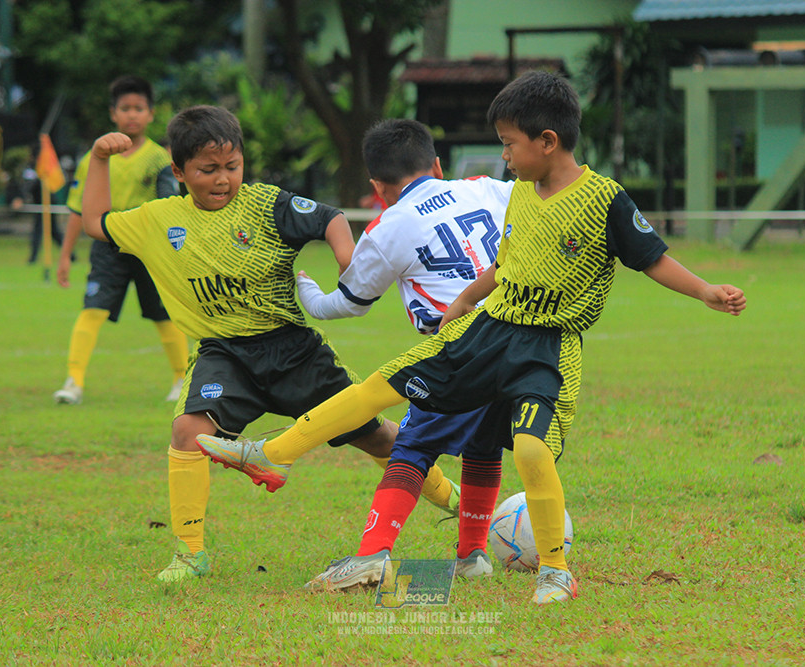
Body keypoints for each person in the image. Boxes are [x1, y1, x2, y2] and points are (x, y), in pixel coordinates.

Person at [195, 71, 747, 604]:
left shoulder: (605, 200)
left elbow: (654, 259)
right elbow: (506, 263)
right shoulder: (521, 195)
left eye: (509, 144)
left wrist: (704, 291)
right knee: (380, 386)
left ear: (548, 141)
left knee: (529, 449)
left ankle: (555, 572)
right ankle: (270, 454)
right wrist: (462, 302)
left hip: (546, 347)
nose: (503, 156)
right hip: (486, 330)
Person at [78, 105, 460, 582]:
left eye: (232, 167)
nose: (223, 179)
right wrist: (97, 159)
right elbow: (94, 220)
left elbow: (331, 218)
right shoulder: (158, 220)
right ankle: (190, 553)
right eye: (208, 169)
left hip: (293, 350)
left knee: (379, 435)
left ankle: (455, 501)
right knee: (187, 432)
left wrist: (347, 259)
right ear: (179, 171)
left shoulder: (263, 204)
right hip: (224, 354)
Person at [288, 118, 514, 589]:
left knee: (412, 447)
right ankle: (473, 554)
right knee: (483, 443)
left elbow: (346, 303)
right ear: (436, 163)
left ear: (377, 187)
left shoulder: (389, 225)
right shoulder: (488, 188)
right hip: (518, 337)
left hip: (459, 346)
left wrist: (308, 294)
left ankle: (372, 556)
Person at [53, 75, 188, 406]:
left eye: (139, 108)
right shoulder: (93, 159)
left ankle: (181, 379)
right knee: (93, 309)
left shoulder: (160, 160)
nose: (132, 115)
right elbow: (77, 210)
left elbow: (170, 209)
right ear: (112, 113)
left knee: (163, 314)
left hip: (148, 247)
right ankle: (74, 382)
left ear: (151, 114)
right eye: (125, 108)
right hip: (107, 245)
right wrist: (65, 255)